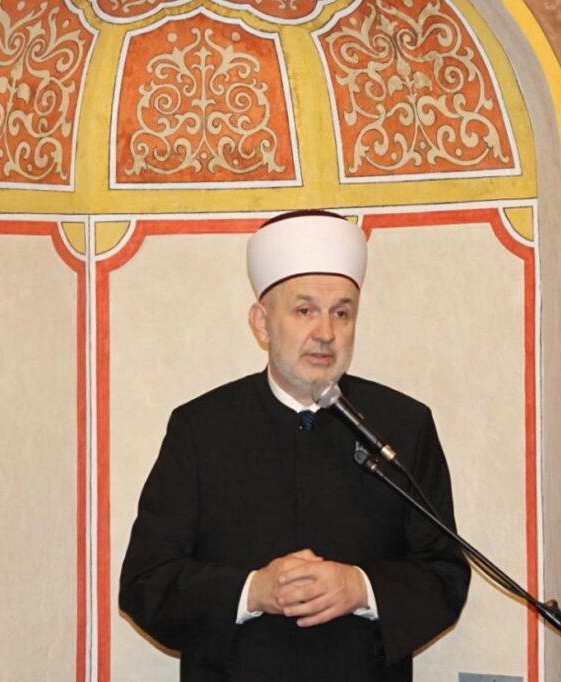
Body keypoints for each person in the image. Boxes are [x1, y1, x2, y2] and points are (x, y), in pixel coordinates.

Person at [119, 210, 471, 682]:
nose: (325, 332)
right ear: (262, 323)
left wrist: (361, 587)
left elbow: (445, 574)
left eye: (341, 313)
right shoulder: (200, 429)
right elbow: (146, 584)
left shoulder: (403, 426)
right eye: (305, 311)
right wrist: (253, 592)